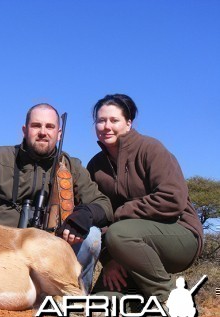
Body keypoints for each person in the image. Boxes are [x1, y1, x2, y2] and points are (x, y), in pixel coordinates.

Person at [0, 103, 113, 293]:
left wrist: (85, 214)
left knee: (91, 236)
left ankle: (75, 297)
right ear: (25, 130)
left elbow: (104, 204)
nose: (43, 132)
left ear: (59, 133)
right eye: (36, 126)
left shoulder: (70, 165)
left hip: (48, 251)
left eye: (50, 127)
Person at [87, 94, 203, 305]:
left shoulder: (151, 149)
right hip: (125, 245)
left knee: (120, 233)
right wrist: (110, 260)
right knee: (101, 305)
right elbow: (96, 214)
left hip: (180, 234)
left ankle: (167, 301)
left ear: (128, 123)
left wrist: (120, 214)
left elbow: (173, 199)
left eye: (114, 120)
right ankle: (139, 301)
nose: (106, 126)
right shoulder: (95, 166)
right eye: (101, 120)